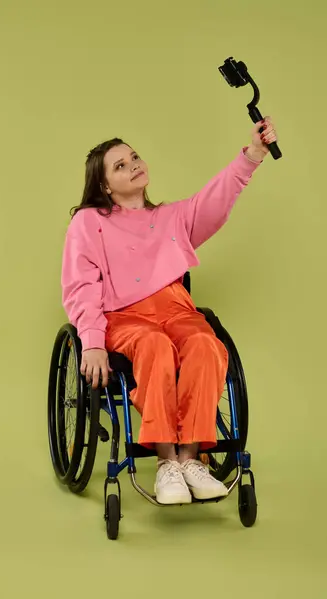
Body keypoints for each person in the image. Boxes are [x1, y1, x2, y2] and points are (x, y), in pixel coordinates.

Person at [61, 118, 277, 505]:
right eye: (120, 165)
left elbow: (216, 198)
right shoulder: (88, 222)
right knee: (155, 347)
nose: (134, 164)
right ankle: (166, 463)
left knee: (205, 344)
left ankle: (191, 460)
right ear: (105, 186)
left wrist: (253, 155)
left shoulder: (171, 217)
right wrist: (91, 342)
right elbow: (81, 286)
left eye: (135, 157)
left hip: (176, 308)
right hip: (125, 317)